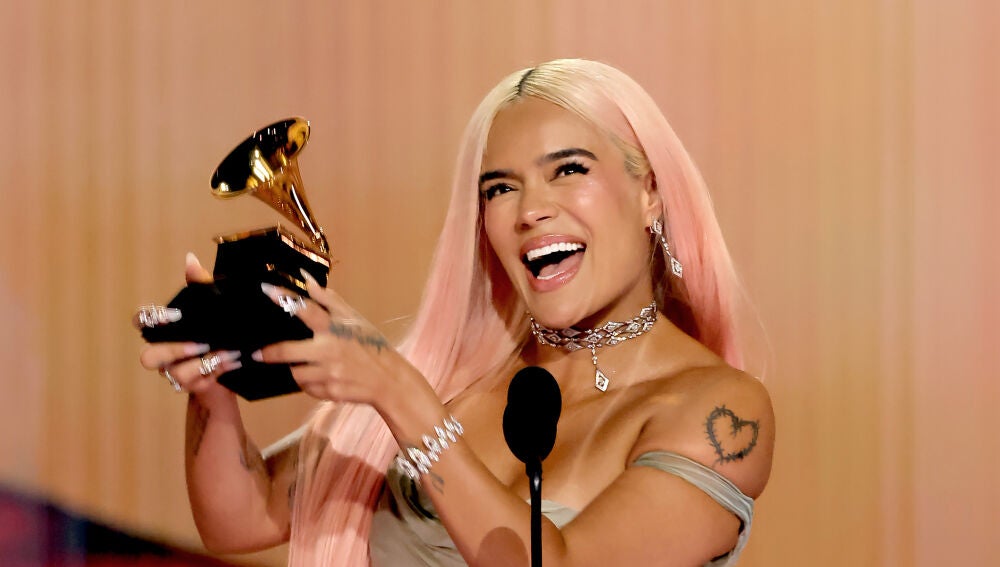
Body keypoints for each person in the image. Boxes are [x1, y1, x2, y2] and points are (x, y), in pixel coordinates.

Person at [138, 58, 774, 566]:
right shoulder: (452, 374)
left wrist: (399, 395)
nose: (531, 210)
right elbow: (240, 520)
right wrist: (211, 387)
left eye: (568, 170)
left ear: (650, 193)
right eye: (500, 187)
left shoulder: (719, 410)